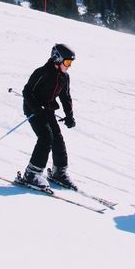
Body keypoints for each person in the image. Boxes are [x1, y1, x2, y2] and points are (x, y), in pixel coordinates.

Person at [22, 43, 77, 190]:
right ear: (57, 59)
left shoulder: (64, 77)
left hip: (48, 110)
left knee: (57, 138)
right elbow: (27, 91)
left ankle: (59, 172)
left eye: (70, 63)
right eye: (67, 62)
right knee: (46, 137)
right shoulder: (42, 73)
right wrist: (35, 107)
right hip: (33, 109)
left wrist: (69, 116)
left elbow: (65, 97)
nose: (69, 66)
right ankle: (31, 174)